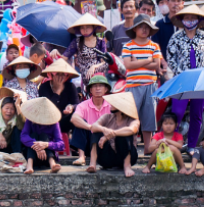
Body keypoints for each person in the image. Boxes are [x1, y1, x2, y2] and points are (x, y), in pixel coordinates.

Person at [166, 5, 204, 152]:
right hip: (181, 81)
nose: (190, 20)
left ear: (198, 19)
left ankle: (192, 146)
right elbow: (171, 57)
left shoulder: (203, 37)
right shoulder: (176, 37)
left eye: (193, 18)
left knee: (196, 114)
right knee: (177, 113)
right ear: (182, 20)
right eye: (187, 18)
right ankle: (171, 145)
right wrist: (180, 73)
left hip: (200, 82)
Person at [121, 14, 161, 152]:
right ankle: (131, 147)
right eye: (141, 27)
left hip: (150, 85)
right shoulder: (128, 46)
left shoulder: (154, 46)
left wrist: (136, 62)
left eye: (147, 27)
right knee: (132, 117)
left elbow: (157, 65)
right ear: (135, 29)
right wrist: (148, 60)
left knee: (149, 117)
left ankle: (147, 147)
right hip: (133, 86)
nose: (144, 30)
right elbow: (128, 65)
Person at [87, 91, 140, 177]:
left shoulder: (133, 120)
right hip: (108, 157)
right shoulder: (107, 117)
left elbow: (132, 129)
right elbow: (93, 126)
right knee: (96, 133)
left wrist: (112, 134)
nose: (110, 104)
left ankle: (127, 166)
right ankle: (92, 164)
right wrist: (104, 130)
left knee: (124, 135)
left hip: (127, 156)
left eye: (114, 103)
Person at [39, 59, 79, 156]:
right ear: (51, 75)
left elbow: (77, 104)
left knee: (78, 115)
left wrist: (71, 107)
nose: (60, 77)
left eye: (63, 74)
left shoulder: (70, 86)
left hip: (64, 120)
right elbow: (47, 108)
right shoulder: (44, 87)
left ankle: (75, 146)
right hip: (48, 122)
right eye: (58, 74)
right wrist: (57, 92)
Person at [60, 13, 109, 89]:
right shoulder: (77, 42)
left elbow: (104, 62)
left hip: (99, 77)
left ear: (93, 27)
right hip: (86, 79)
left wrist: (94, 67)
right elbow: (64, 58)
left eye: (88, 27)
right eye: (82, 27)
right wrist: (54, 51)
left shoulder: (100, 41)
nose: (85, 30)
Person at [20, 97, 64, 174]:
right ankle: (29, 166)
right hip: (33, 157)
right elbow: (23, 136)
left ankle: (52, 164)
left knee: (44, 136)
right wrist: (37, 146)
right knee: (34, 135)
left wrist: (46, 145)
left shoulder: (54, 123)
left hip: (47, 157)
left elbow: (61, 145)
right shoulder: (30, 120)